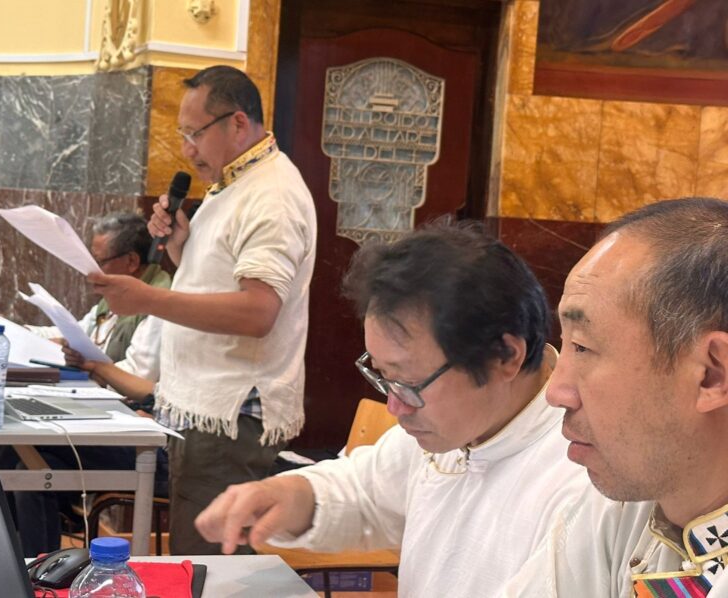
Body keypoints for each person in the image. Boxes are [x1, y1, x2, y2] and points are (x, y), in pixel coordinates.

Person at [194, 224, 591, 597]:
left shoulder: (580, 478)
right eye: (384, 376)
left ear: (505, 356)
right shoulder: (453, 426)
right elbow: (367, 492)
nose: (395, 405)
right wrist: (292, 495)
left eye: (409, 381)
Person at [86, 65, 317, 554]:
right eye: (182, 135)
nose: (187, 150)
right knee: (193, 556)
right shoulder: (231, 184)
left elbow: (257, 313)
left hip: (230, 414)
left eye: (195, 134)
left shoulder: (272, 195)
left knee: (207, 566)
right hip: (199, 407)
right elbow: (213, 283)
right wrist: (178, 249)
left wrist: (146, 297)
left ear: (238, 123)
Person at [501, 197, 728, 597]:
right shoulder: (625, 504)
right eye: (565, 344)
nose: (556, 392)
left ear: (712, 375)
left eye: (583, 347)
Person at [27, 211, 170, 363]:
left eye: (99, 262)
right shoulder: (115, 291)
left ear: (131, 261)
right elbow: (79, 332)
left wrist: (88, 365)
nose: (91, 272)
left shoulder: (160, 301)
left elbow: (138, 371)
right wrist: (26, 332)